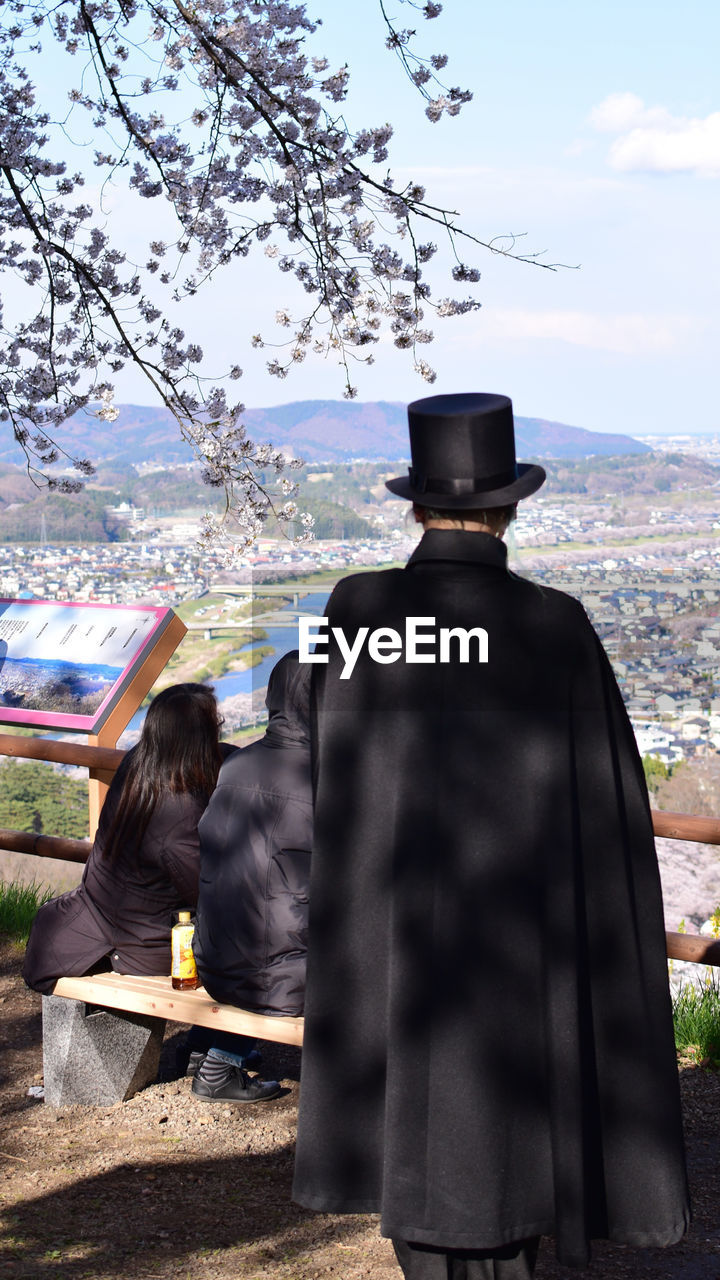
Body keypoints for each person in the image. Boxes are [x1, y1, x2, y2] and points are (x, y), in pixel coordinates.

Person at [292, 393, 690, 1278]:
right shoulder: (552, 624)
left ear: (416, 504)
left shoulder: (357, 611)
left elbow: (330, 764)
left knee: (420, 1172)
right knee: (506, 1172)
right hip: (518, 949)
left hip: (385, 942)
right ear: (510, 508)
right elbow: (605, 806)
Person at [23, 683, 227, 993]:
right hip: (146, 944)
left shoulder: (141, 763)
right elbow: (209, 895)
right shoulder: (180, 816)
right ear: (199, 739)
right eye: (216, 726)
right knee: (253, 949)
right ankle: (214, 1043)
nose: (219, 731)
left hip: (103, 917)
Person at [190, 651, 312, 1103]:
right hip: (278, 974)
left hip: (215, 955)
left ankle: (203, 1044)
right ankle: (222, 1063)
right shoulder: (324, 776)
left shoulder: (238, 764)